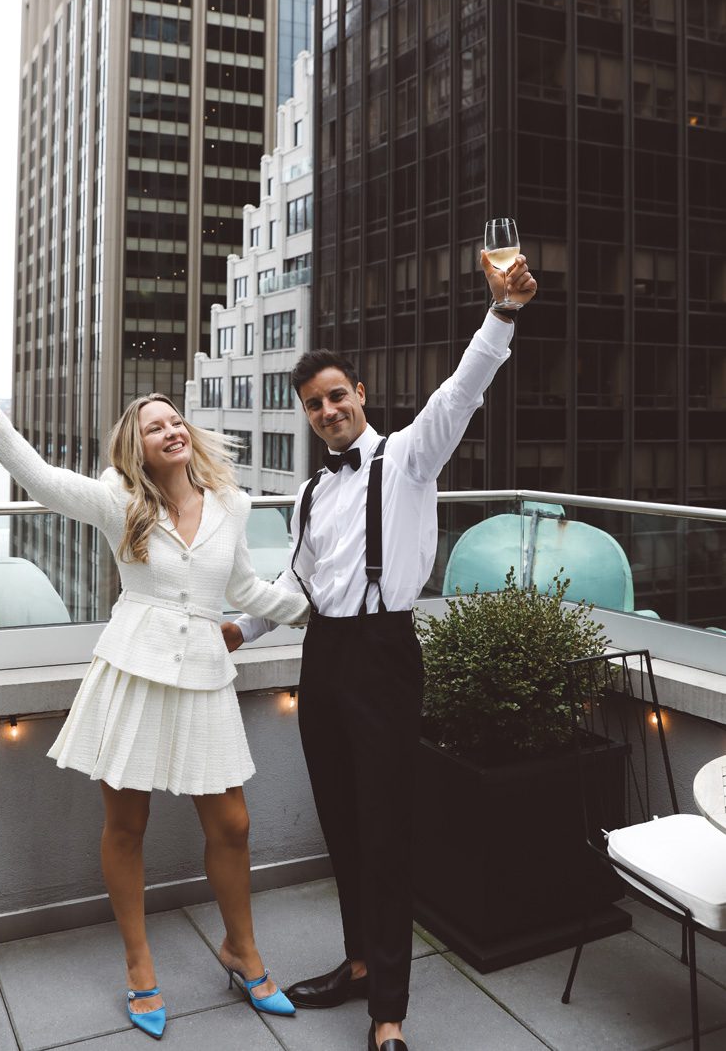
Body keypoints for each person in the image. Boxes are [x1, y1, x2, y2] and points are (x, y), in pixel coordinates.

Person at [223, 253, 537, 1051]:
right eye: (313, 405)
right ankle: (360, 964)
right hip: (324, 658)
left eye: (337, 396)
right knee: (342, 822)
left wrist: (500, 314)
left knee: (387, 829)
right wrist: (240, 630)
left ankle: (387, 1014)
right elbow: (299, 581)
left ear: (360, 394)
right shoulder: (308, 493)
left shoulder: (408, 457)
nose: (327, 411)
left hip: (386, 655)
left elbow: (462, 390)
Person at [0, 371, 309, 1041]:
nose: (170, 429)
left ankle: (242, 951)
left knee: (232, 823)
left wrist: (320, 613)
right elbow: (46, 480)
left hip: (203, 672)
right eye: (153, 426)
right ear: (136, 448)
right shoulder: (119, 500)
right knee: (127, 825)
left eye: (176, 421)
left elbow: (247, 588)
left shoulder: (231, 502)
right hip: (133, 671)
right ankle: (140, 966)